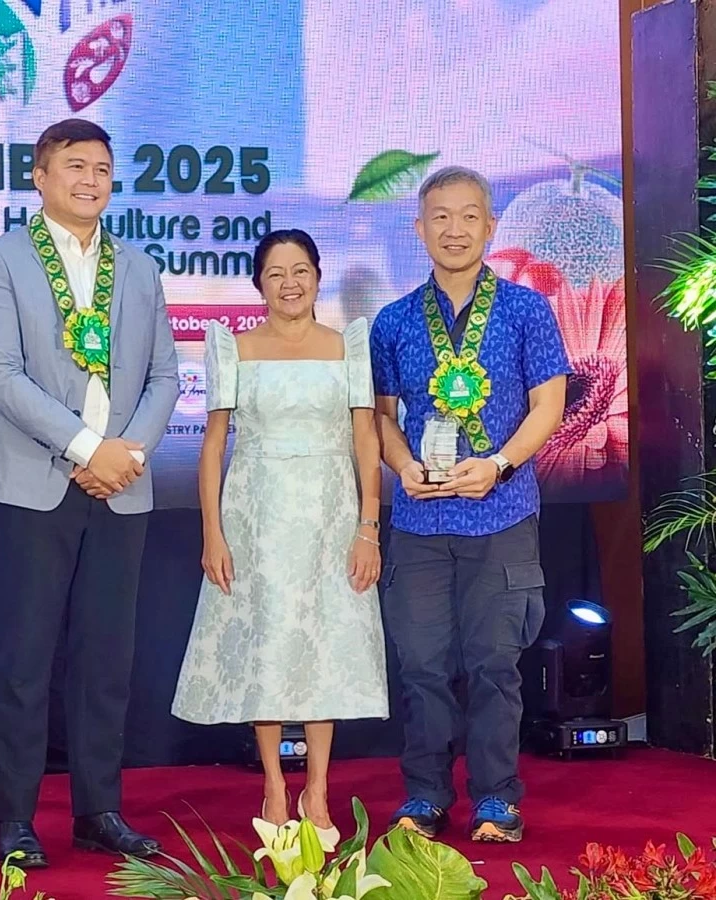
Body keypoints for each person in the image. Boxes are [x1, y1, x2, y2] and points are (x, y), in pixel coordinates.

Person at [0, 118, 179, 869]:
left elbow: (165, 379)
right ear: (41, 176)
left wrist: (127, 455)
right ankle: (17, 821)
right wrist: (88, 448)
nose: (90, 179)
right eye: (74, 166)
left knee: (107, 662)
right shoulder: (2, 260)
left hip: (121, 489)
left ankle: (98, 812)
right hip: (36, 485)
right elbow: (0, 375)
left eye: (102, 168)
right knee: (24, 659)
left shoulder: (141, 266)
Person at [369, 166, 570, 843]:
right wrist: (402, 467)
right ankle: (424, 796)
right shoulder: (395, 320)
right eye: (440, 217)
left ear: (489, 226)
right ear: (420, 228)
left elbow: (550, 404)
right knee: (422, 666)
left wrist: (501, 464)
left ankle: (495, 799)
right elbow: (381, 416)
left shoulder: (525, 310)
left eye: (468, 216)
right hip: (421, 521)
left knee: (494, 662)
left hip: (501, 513)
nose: (454, 229)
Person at [171, 229, 389, 837]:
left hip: (330, 511)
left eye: (300, 271)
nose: (289, 283)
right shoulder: (233, 348)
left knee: (323, 643)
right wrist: (213, 531)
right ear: (259, 284)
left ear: (318, 276)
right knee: (266, 643)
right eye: (275, 273)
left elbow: (365, 438)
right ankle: (273, 785)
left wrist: (368, 524)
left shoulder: (348, 346)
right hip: (256, 512)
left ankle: (317, 790)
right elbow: (213, 445)